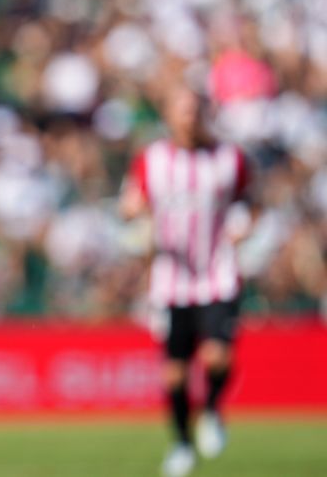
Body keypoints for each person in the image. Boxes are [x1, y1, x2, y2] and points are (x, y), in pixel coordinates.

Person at [120, 86, 253, 477]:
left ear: (204, 113)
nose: (189, 118)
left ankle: (211, 409)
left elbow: (250, 201)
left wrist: (245, 226)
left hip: (217, 273)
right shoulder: (153, 160)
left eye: (194, 110)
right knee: (175, 374)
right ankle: (181, 443)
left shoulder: (229, 159)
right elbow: (133, 202)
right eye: (181, 111)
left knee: (217, 356)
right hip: (172, 278)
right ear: (169, 116)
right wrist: (131, 214)